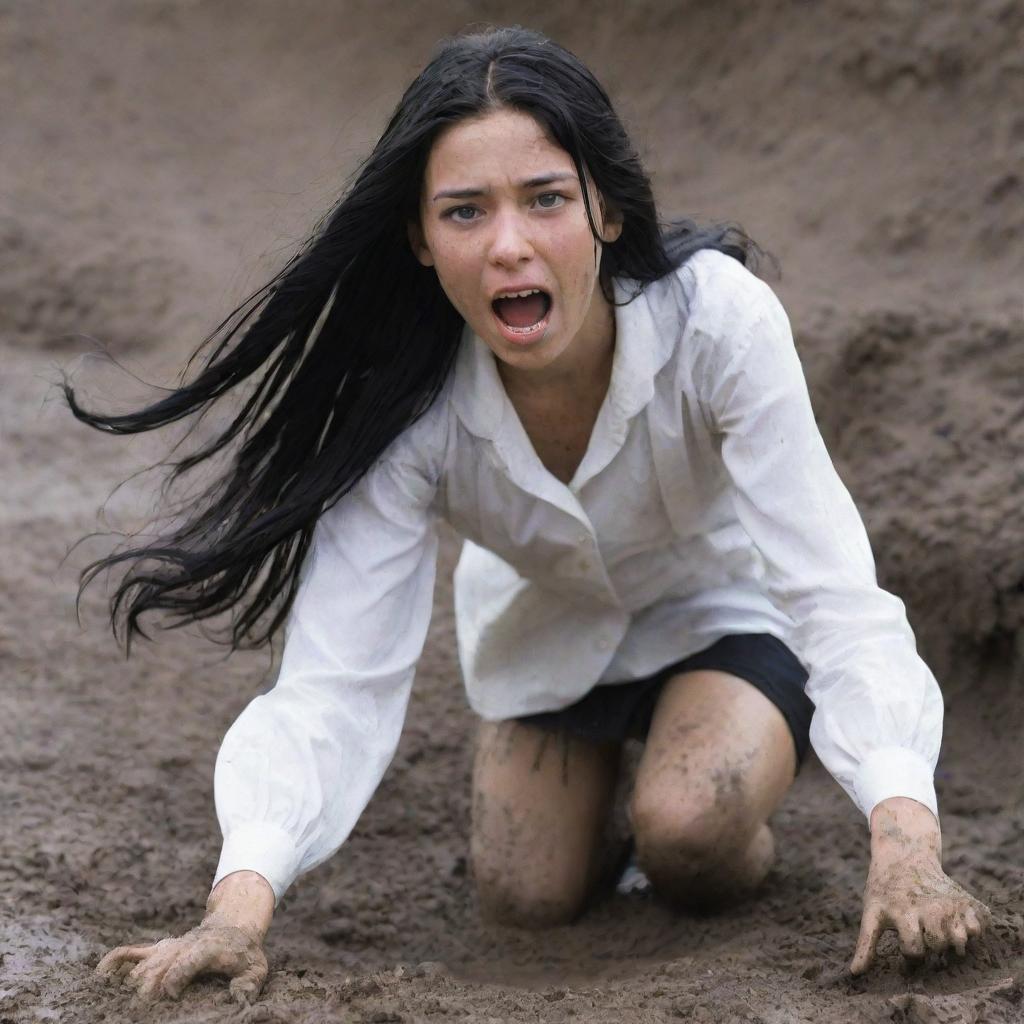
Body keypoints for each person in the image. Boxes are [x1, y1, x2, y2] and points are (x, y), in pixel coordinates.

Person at [80, 25, 990, 1006]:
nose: (508, 242)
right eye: (464, 211)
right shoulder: (402, 407)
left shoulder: (718, 322)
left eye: (545, 198)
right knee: (523, 893)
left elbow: (833, 593)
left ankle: (720, 811)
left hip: (724, 613)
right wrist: (234, 912)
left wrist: (905, 838)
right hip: (545, 638)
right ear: (421, 242)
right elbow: (333, 685)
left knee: (687, 828)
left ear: (604, 206)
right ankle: (614, 803)